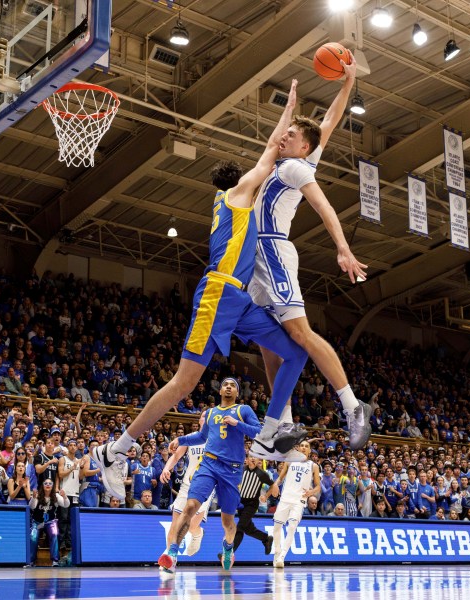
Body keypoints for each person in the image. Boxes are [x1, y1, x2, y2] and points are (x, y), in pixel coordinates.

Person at [92, 80, 309, 501]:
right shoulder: (238, 193)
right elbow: (269, 149)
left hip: (239, 299)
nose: (261, 174)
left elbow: (268, 155)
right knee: (183, 385)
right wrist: (289, 112)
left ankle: (271, 434)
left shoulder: (227, 201)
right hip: (217, 295)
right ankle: (114, 450)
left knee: (295, 352)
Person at [247, 56, 371, 451]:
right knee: (267, 343)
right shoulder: (287, 160)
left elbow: (325, 207)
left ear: (304, 146)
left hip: (274, 251)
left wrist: (343, 248)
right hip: (255, 257)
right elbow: (329, 124)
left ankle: (353, 407)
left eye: (292, 134)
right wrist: (346, 85)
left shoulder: (297, 169)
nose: (284, 136)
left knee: (299, 333)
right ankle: (282, 424)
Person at [159, 378, 261, 572]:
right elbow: (201, 437)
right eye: (225, 385)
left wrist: (237, 423)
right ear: (220, 390)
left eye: (233, 385)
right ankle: (172, 554)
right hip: (209, 464)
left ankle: (228, 548)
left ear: (237, 393)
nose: (229, 387)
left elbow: (258, 432)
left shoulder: (244, 410)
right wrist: (180, 439)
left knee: (227, 521)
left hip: (231, 469)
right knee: (190, 506)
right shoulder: (211, 413)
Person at [159, 412, 212, 562]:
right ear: (200, 420)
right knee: (176, 524)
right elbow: (175, 457)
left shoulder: (218, 439)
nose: (206, 417)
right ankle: (170, 559)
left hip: (207, 486)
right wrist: (166, 469)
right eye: (204, 415)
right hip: (187, 484)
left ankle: (198, 533)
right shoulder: (191, 438)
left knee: (190, 525)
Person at [272, 439, 321, 568]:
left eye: (307, 446)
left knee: (292, 526)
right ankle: (277, 551)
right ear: (298, 448)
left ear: (310, 450)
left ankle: (282, 556)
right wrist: (276, 485)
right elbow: (280, 478)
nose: (304, 448)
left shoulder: (313, 466)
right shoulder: (289, 460)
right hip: (285, 498)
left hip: (299, 500)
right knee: (277, 527)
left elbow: (318, 487)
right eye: (302, 446)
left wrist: (311, 492)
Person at [231, 456, 278, 558]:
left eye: (255, 458)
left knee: (240, 527)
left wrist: (265, 496)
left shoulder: (262, 474)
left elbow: (273, 485)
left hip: (252, 504)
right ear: (246, 459)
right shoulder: (241, 469)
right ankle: (266, 538)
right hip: (240, 503)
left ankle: (229, 553)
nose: (253, 459)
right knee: (249, 530)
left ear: (258, 461)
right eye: (251, 457)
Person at [29, 482, 70, 567]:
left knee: (55, 534)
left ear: (53, 486)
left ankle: (55, 560)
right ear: (42, 486)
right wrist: (33, 498)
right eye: (45, 483)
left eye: (50, 483)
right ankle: (31, 560)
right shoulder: (38, 495)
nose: (48, 485)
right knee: (33, 537)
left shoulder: (56, 496)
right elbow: (32, 507)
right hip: (38, 522)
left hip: (50, 521)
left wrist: (65, 496)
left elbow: (66, 505)